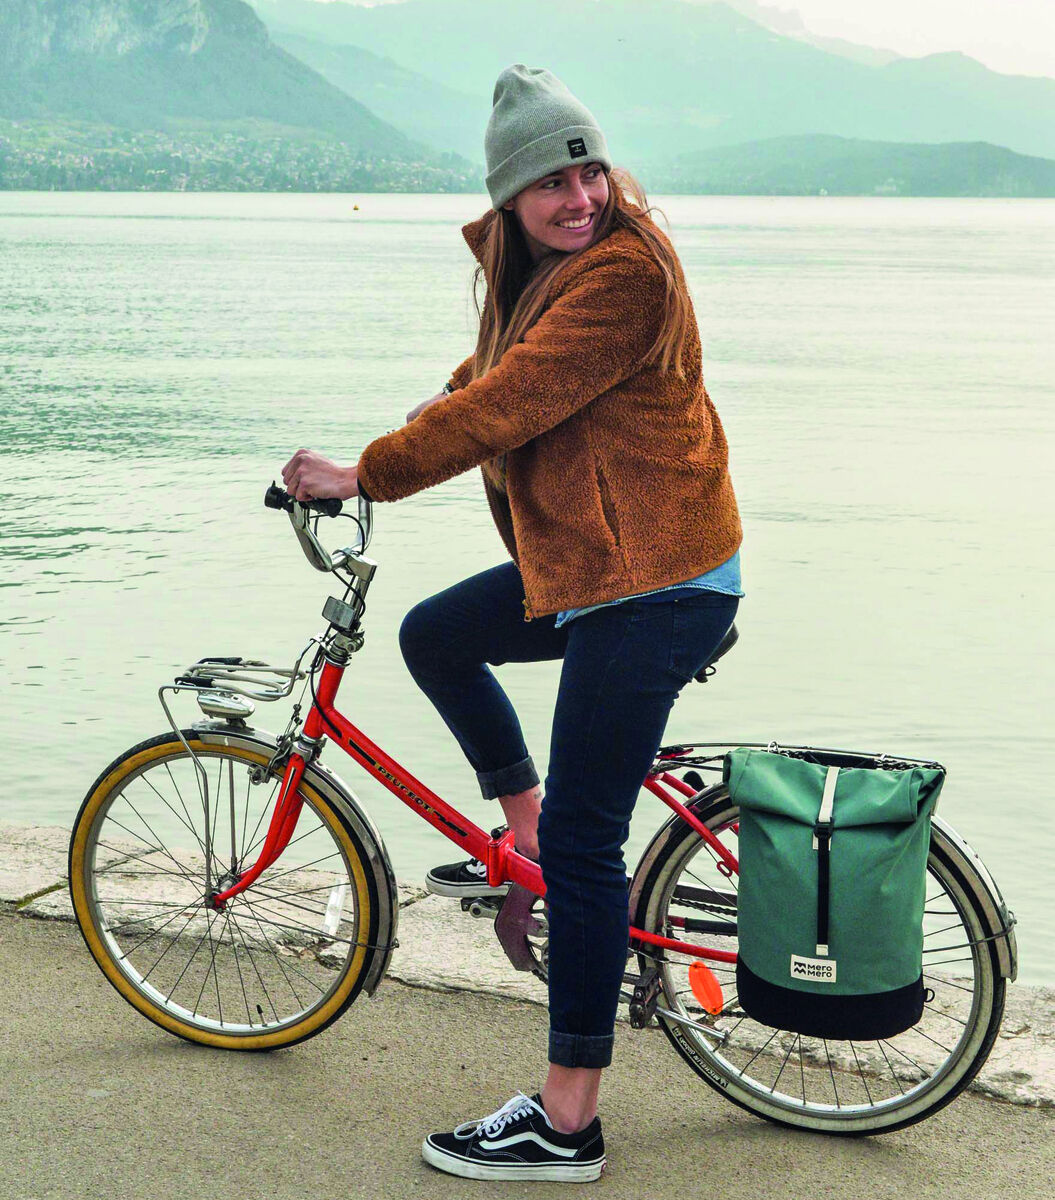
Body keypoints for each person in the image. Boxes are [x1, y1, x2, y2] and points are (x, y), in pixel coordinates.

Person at [280, 63, 743, 1183]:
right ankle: (521, 835)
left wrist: (366, 474)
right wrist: (401, 429)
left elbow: (511, 400)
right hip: (599, 567)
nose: (577, 196)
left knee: (594, 848)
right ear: (509, 197)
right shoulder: (535, 270)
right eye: (550, 180)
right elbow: (486, 374)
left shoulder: (623, 274)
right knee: (436, 635)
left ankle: (565, 1122)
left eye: (585, 170)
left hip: (656, 582)